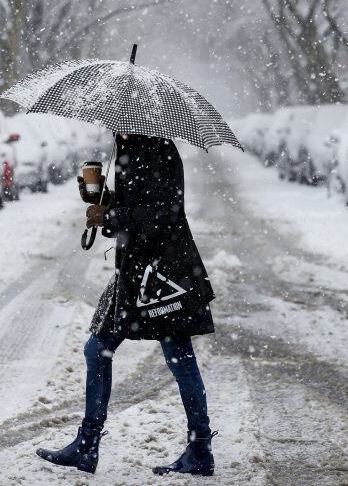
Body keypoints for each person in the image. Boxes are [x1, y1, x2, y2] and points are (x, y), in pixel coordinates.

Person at [36, 133, 217, 476]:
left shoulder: (155, 147)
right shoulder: (130, 146)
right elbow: (141, 203)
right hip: (137, 270)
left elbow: (163, 213)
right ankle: (88, 446)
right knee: (98, 348)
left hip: (162, 275)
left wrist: (111, 217)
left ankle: (199, 448)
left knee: (178, 356)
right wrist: (104, 198)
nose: (107, 124)